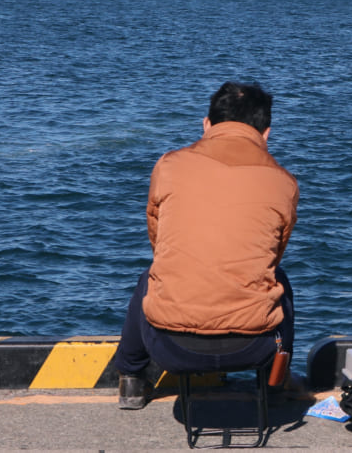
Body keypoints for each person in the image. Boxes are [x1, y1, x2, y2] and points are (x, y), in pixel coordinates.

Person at [114, 82, 299, 409]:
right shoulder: (283, 182)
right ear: (266, 133)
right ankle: (275, 383)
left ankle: (131, 380)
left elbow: (157, 241)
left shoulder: (169, 166)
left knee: (151, 276)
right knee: (280, 279)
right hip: (253, 347)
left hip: (170, 347)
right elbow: (274, 255)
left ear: (206, 124)